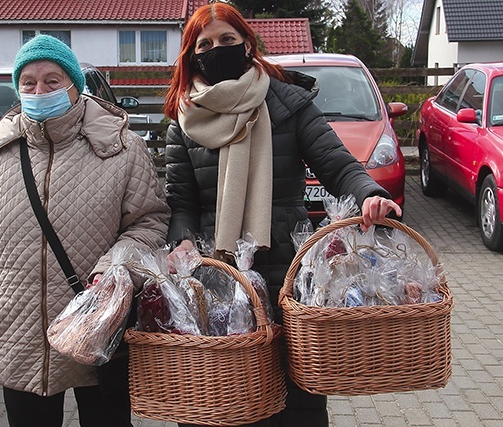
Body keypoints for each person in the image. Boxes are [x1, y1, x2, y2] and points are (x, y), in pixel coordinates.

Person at [163, 3, 402, 427]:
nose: (217, 50)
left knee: (298, 400)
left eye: (227, 40)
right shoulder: (185, 120)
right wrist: (182, 239)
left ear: (247, 44)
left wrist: (369, 194)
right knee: (220, 398)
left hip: (288, 276)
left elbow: (337, 164)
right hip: (216, 279)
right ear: (191, 55)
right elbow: (182, 202)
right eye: (205, 44)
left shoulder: (288, 103)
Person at [0, 35, 170, 427]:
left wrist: (113, 270)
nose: (39, 91)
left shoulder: (122, 147)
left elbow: (149, 222)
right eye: (29, 82)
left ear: (75, 85)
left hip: (97, 324)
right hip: (17, 327)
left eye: (53, 81)